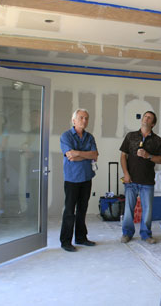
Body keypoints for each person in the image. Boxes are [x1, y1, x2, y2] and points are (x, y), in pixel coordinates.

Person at [120, 111, 161, 244]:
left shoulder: (157, 140)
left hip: (147, 181)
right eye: (145, 116)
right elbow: (123, 156)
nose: (146, 118)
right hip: (131, 180)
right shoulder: (131, 136)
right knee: (128, 209)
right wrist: (126, 174)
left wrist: (148, 156)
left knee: (147, 209)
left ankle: (146, 234)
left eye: (149, 118)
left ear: (153, 124)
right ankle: (127, 233)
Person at [59, 108, 99, 252]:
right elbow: (70, 156)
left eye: (86, 118)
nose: (84, 120)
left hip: (87, 177)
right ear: (74, 120)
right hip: (72, 179)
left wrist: (78, 153)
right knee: (70, 211)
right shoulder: (66, 136)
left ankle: (81, 238)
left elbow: (95, 155)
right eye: (81, 117)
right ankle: (65, 241)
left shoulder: (90, 137)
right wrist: (85, 155)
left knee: (82, 209)